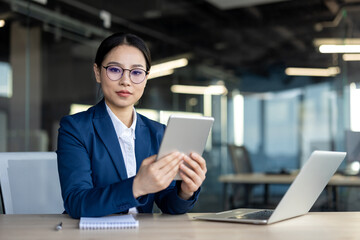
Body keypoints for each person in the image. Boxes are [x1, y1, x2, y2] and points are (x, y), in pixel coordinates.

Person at [56, 32, 207, 219]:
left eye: (136, 72)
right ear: (97, 72)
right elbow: (76, 202)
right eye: (114, 70)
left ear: (145, 79)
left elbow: (168, 203)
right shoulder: (75, 128)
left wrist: (185, 190)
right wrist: (138, 186)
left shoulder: (158, 132)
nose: (125, 81)